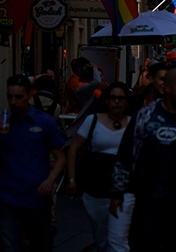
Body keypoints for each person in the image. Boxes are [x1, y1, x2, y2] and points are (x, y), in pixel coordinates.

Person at [111, 67, 176, 252]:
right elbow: (126, 153)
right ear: (167, 88)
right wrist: (118, 192)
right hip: (148, 203)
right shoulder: (144, 117)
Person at [0, 74, 66, 252]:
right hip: (8, 198)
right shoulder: (3, 121)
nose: (13, 102)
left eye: (18, 97)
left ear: (29, 95)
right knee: (10, 246)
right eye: (10, 96)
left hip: (36, 197)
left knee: (40, 245)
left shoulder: (44, 122)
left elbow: (60, 158)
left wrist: (51, 180)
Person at [67, 83, 134, 252]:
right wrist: (72, 179)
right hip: (96, 188)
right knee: (101, 238)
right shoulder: (93, 121)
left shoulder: (134, 124)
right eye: (113, 98)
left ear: (127, 102)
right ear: (107, 100)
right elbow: (73, 149)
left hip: (125, 189)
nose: (116, 102)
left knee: (118, 240)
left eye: (121, 98)